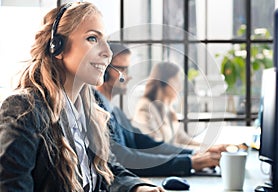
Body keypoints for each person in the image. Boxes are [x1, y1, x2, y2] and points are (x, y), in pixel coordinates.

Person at [0, 2, 164, 192]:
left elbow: (105, 170)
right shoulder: (24, 109)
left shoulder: (88, 111)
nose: (108, 53)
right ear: (57, 47)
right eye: (92, 38)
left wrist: (138, 188)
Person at [94, 43, 228, 177]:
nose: (129, 76)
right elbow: (125, 159)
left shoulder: (116, 112)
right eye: (124, 69)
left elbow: (148, 144)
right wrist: (188, 162)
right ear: (104, 69)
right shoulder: (97, 111)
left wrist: (193, 155)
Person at [132, 62, 200, 149]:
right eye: (176, 81)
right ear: (165, 82)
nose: (180, 87)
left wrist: (207, 148)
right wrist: (195, 151)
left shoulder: (167, 108)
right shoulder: (145, 108)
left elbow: (182, 138)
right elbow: (154, 145)